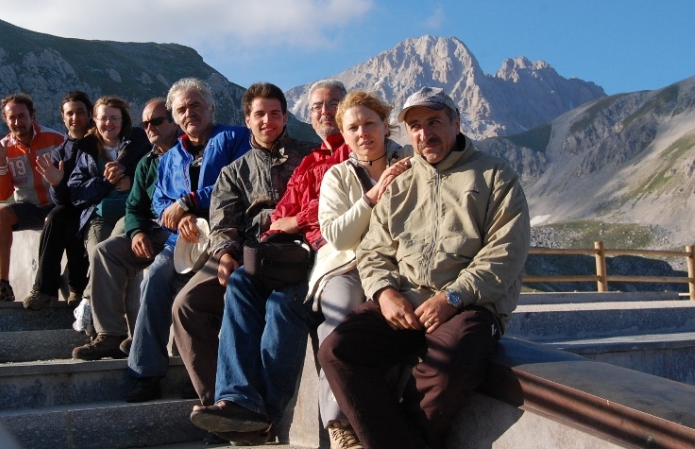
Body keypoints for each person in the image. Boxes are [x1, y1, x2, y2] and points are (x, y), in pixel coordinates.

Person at [317, 87, 530, 449]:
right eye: (414, 125)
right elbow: (373, 250)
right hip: (404, 299)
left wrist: (454, 296)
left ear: (456, 123)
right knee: (337, 350)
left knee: (447, 369)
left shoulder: (495, 175)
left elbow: (505, 252)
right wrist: (384, 293)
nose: (424, 133)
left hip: (471, 305)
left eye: (434, 122)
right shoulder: (400, 181)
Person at [185, 79, 347, 445]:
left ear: (286, 117)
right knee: (239, 283)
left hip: (307, 256)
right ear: (248, 120)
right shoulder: (234, 172)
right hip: (261, 258)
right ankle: (236, 399)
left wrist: (291, 223)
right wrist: (225, 253)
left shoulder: (310, 155)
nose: (268, 121)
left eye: (275, 113)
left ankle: (266, 415)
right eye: (260, 114)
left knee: (281, 306)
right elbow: (223, 221)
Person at [72, 78, 250, 362]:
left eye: (196, 105)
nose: (189, 112)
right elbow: (151, 203)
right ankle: (123, 346)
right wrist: (140, 230)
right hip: (174, 234)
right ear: (177, 117)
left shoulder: (235, 138)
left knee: (159, 278)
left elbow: (236, 183)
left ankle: (175, 362)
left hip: (219, 233)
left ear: (212, 108)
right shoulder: (165, 158)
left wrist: (188, 204)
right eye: (182, 108)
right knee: (109, 253)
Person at [308, 91, 411, 448]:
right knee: (339, 323)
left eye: (370, 123)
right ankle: (339, 424)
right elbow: (337, 235)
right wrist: (372, 196)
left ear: (386, 125)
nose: (362, 132)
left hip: (399, 267)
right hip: (347, 267)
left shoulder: (413, 164)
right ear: (344, 134)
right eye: (353, 127)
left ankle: (385, 412)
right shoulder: (337, 176)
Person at [70, 98, 178, 361]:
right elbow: (135, 205)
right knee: (104, 252)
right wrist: (137, 231)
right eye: (146, 123)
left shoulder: (187, 154)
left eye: (157, 121)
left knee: (145, 269)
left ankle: (139, 339)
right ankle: (110, 334)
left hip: (179, 233)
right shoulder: (147, 161)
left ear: (174, 123)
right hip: (144, 227)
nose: (150, 127)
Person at [0, 93, 64, 302]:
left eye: (22, 116)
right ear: (5, 120)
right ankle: (2, 285)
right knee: (1, 214)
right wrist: (1, 162)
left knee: (53, 220)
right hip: (29, 207)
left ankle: (46, 287)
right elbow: (1, 195)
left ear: (32, 116)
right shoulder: (3, 148)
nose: (18, 122)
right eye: (12, 118)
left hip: (57, 205)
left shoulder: (55, 139)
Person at [22, 91, 94, 310]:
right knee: (56, 216)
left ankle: (77, 288)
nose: (75, 118)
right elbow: (59, 199)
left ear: (89, 114)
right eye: (70, 113)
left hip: (94, 207)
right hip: (70, 207)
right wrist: (56, 183)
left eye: (80, 112)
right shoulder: (59, 153)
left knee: (74, 221)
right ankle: (44, 290)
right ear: (63, 118)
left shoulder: (99, 144)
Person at [69, 96, 151, 259]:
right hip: (100, 217)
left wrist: (133, 182)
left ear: (122, 120)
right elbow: (76, 192)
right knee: (97, 256)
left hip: (131, 213)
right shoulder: (87, 151)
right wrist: (107, 182)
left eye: (114, 118)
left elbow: (153, 175)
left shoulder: (139, 142)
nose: (108, 123)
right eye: (103, 118)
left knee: (114, 254)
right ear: (95, 120)